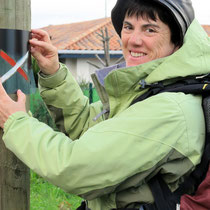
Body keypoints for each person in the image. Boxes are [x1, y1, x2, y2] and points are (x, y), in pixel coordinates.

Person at [0, 0, 210, 209]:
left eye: (150, 30)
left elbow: (77, 169)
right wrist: (54, 73)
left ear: (177, 42)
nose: (134, 40)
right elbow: (86, 126)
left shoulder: (169, 109)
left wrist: (15, 121)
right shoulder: (148, 93)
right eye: (128, 27)